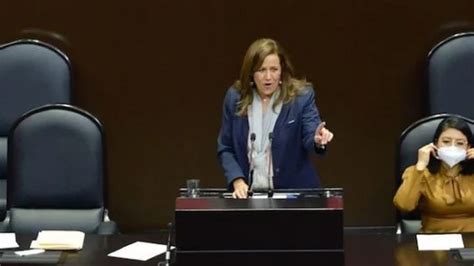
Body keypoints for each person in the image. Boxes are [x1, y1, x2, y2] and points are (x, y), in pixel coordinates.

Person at [217, 38, 334, 199]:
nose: (268, 77)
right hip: (248, 196)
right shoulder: (235, 98)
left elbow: (310, 132)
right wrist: (237, 180)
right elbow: (225, 147)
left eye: (274, 69)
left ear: (282, 71)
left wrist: (317, 139)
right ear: (251, 73)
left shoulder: (300, 98)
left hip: (294, 198)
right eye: (261, 70)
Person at [394, 116, 474, 232]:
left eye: (460, 143)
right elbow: (404, 205)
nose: (452, 147)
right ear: (435, 144)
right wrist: (420, 166)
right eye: (446, 142)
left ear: (469, 147)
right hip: (434, 241)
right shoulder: (420, 173)